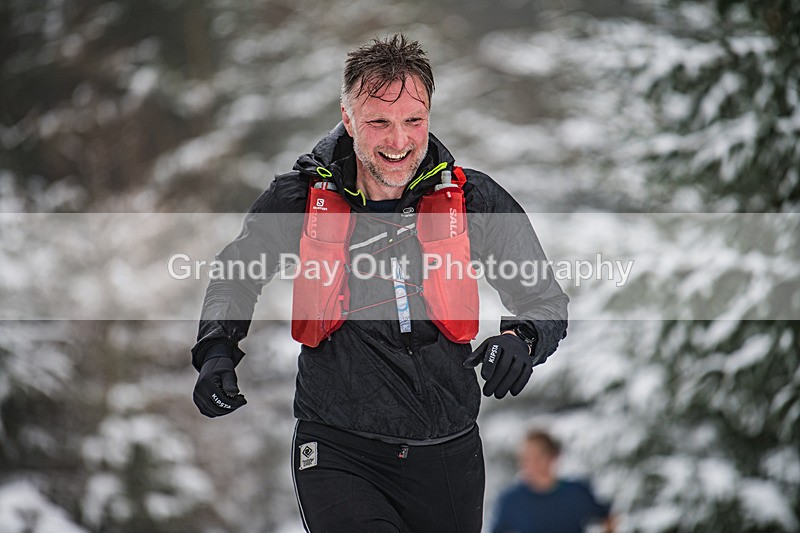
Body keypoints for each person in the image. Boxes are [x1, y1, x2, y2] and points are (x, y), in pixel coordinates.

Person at [191, 33, 568, 532]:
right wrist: (216, 346)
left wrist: (522, 338)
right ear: (348, 119)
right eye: (378, 122)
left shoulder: (471, 198)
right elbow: (234, 276)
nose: (399, 141)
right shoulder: (301, 200)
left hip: (447, 450)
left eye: (413, 120)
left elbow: (543, 298)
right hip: (339, 447)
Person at [491, 430, 616, 533]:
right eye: (525, 458)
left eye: (536, 457)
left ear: (552, 456)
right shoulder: (511, 499)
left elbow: (608, 518)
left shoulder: (576, 492)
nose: (528, 463)